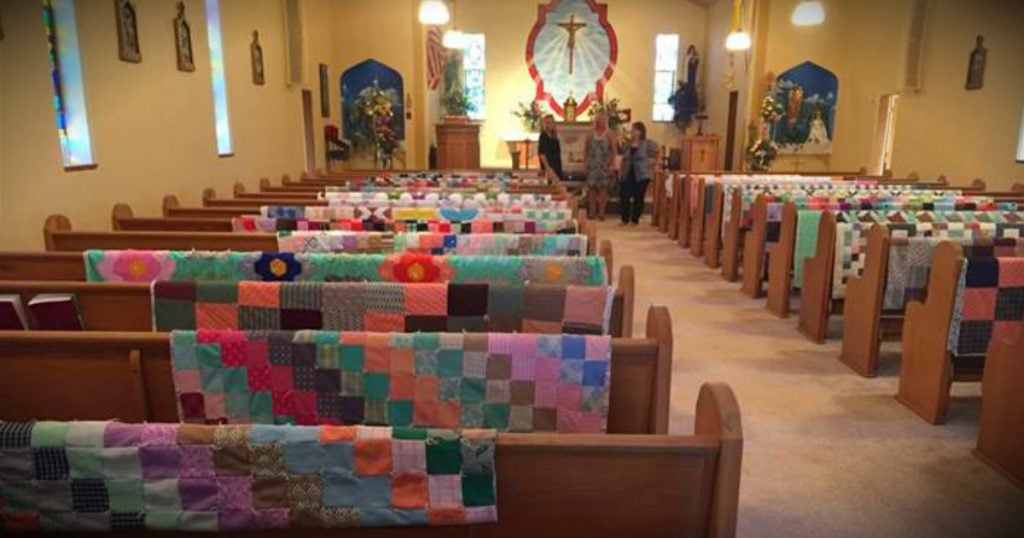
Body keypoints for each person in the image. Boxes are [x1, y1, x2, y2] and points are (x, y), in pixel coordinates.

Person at [619, 121, 659, 226]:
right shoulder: (628, 143)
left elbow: (658, 149)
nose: (632, 132)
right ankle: (624, 219)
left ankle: (635, 219)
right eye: (632, 130)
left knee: (638, 197)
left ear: (640, 132)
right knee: (624, 195)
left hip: (642, 173)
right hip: (628, 172)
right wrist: (621, 171)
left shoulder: (646, 143)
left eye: (634, 130)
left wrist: (656, 163)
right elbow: (624, 158)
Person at [583, 111, 617, 221]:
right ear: (596, 120)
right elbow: (586, 149)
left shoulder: (610, 134)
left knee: (603, 189)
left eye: (604, 119)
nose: (601, 121)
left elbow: (614, 151)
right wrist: (585, 163)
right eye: (599, 119)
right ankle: (592, 212)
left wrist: (612, 164)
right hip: (592, 164)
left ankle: (601, 213)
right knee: (592, 189)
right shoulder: (590, 133)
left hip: (604, 165)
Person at [537, 114, 564, 181]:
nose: (551, 124)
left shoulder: (553, 136)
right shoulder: (544, 136)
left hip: (556, 168)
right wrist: (548, 169)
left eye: (552, 122)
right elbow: (542, 154)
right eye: (549, 122)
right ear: (545, 124)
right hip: (549, 170)